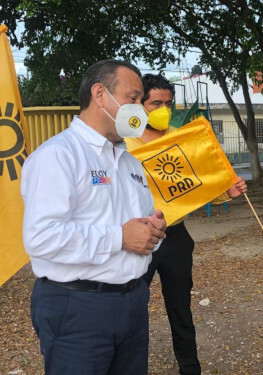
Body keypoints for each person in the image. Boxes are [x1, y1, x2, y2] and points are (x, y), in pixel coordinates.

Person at [21, 60, 167, 375]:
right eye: (133, 98)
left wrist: (152, 231)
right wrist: (120, 237)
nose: (140, 110)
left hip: (132, 301)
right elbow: (41, 237)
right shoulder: (58, 156)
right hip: (78, 307)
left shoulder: (130, 162)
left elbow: (137, 227)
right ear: (100, 94)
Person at [125, 73, 247, 375]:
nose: (163, 109)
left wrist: (226, 191)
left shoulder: (182, 136)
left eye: (168, 103)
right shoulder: (122, 141)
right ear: (140, 104)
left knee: (180, 309)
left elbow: (199, 182)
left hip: (175, 237)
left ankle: (190, 369)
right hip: (136, 239)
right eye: (155, 103)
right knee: (130, 311)